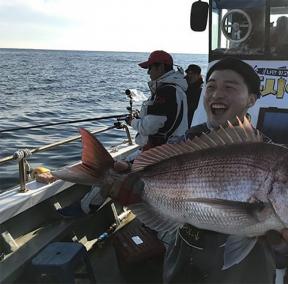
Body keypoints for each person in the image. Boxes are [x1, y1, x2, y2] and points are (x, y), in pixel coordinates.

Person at [111, 57, 288, 283]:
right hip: (183, 260)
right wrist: (130, 175)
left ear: (251, 99)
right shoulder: (191, 138)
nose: (216, 94)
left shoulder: (272, 158)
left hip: (242, 273)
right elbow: (154, 169)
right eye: (211, 86)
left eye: (229, 87)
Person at [57, 50, 189, 218]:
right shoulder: (178, 90)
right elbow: (166, 120)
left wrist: (131, 122)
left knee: (110, 172)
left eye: (150, 68)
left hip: (158, 153)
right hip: (169, 150)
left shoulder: (166, 92)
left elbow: (150, 127)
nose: (148, 72)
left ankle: (85, 208)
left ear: (161, 67)